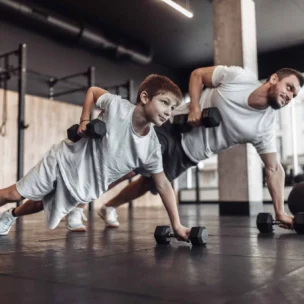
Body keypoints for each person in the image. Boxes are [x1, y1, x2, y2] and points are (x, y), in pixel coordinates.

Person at [91, 65, 303, 230]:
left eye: (294, 96)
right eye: (289, 87)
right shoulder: (238, 78)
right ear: (274, 79)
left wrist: (279, 211)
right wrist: (195, 106)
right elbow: (198, 75)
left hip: (189, 155)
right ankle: (82, 198)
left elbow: (273, 168)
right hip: (173, 127)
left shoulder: (265, 127)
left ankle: (108, 206)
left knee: (148, 183)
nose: (290, 97)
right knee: (134, 163)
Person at [0, 74, 190, 241]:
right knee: (14, 194)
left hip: (83, 185)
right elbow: (92, 91)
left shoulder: (151, 148)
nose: (168, 112)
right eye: (165, 102)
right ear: (145, 97)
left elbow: (163, 185)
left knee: (41, 203)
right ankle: (10, 209)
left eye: (173, 108)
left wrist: (177, 225)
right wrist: (85, 120)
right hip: (63, 161)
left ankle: (11, 215)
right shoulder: (118, 107)